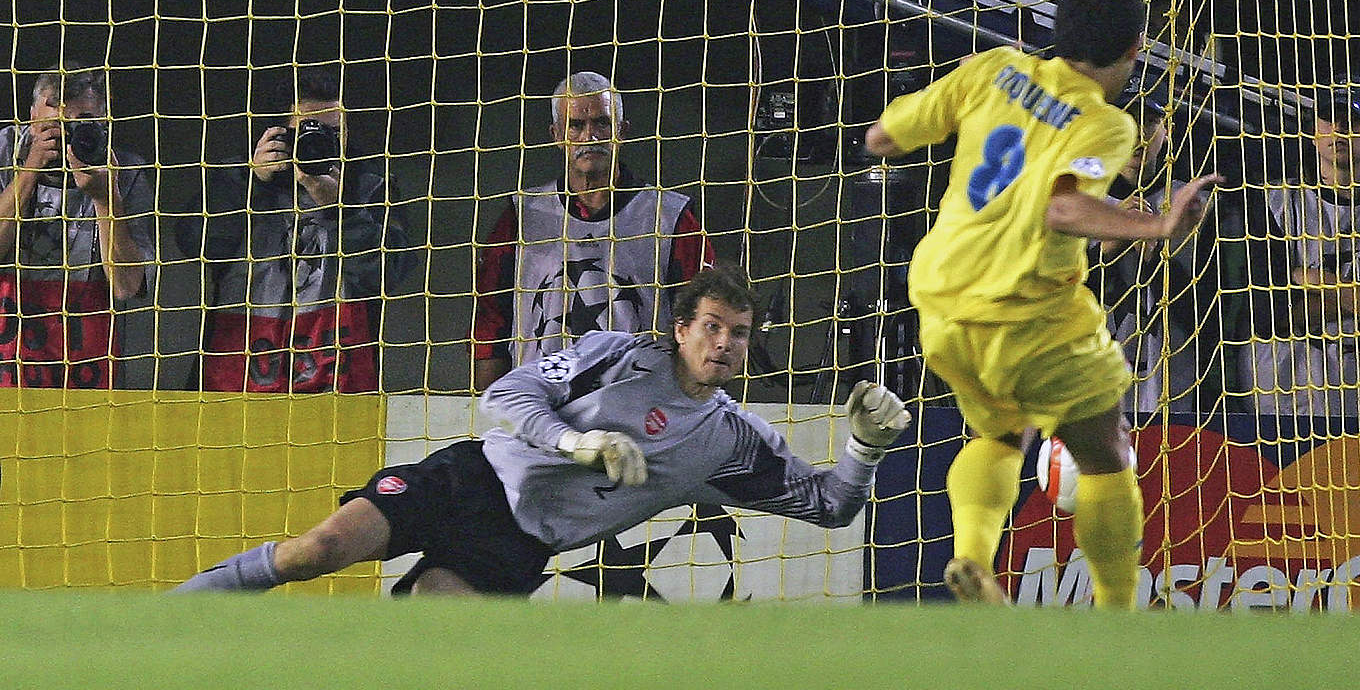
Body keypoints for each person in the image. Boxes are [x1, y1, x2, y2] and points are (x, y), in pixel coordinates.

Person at [174, 264, 909, 595]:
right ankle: (177, 618)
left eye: (740, 334)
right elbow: (507, 394)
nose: (725, 344)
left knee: (419, 659)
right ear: (682, 329)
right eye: (712, 327)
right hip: (469, 478)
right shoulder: (617, 354)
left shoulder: (734, 441)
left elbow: (830, 505)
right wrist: (576, 442)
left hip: (517, 543)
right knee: (315, 552)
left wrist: (864, 449)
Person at [864, 0, 1219, 608]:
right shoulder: (1106, 125)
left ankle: (972, 557)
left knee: (1001, 433)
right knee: (1107, 452)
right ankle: (1119, 610)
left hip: (942, 305)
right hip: (1027, 314)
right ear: (1136, 47)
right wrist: (1159, 224)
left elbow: (882, 138)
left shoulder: (994, 67)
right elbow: (1064, 210)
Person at [472, 71, 714, 391]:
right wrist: (491, 410)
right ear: (557, 134)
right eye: (576, 125)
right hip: (543, 405)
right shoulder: (521, 217)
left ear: (622, 131)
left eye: (602, 123)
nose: (591, 136)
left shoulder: (670, 218)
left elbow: (707, 321)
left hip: (639, 406)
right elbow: (490, 323)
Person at [175, 67, 412, 392]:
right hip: (236, 378)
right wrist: (251, 182)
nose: (322, 141)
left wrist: (340, 211)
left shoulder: (370, 185)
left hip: (337, 382)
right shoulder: (238, 178)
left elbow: (389, 273)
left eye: (334, 131)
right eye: (308, 131)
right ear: (279, 133)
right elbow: (195, 245)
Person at [0, 61, 155, 388]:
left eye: (82, 124)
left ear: (102, 123)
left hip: (88, 372)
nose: (69, 136)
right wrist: (30, 169)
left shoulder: (124, 171)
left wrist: (105, 199)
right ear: (31, 117)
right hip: (7, 364)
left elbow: (127, 286)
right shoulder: (4, 152)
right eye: (58, 124)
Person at [1236, 78, 1360, 417]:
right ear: (1313, 127)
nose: (1339, 128)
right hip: (1286, 383)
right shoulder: (1271, 200)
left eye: (1353, 119)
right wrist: (1347, 295)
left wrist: (1305, 277)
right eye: (1329, 117)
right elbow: (1268, 314)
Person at [1087, 91, 1217, 414]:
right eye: (1128, 120)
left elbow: (1210, 302)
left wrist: (1154, 253)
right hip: (1093, 363)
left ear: (1167, 130)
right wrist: (1113, 241)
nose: (1139, 133)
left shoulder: (1190, 200)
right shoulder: (1081, 195)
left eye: (1150, 120)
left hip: (1169, 367)